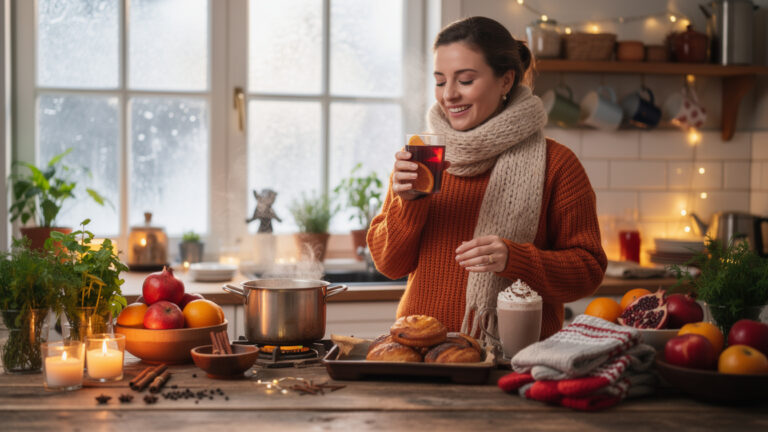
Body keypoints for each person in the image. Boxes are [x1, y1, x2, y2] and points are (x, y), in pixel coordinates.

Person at [367, 16, 607, 342]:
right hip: (421, 352)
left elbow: (588, 272)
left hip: (515, 360)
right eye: (440, 81)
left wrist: (516, 260)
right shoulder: (423, 157)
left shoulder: (558, 164)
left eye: (464, 80)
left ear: (506, 81)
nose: (449, 94)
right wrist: (407, 204)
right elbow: (389, 264)